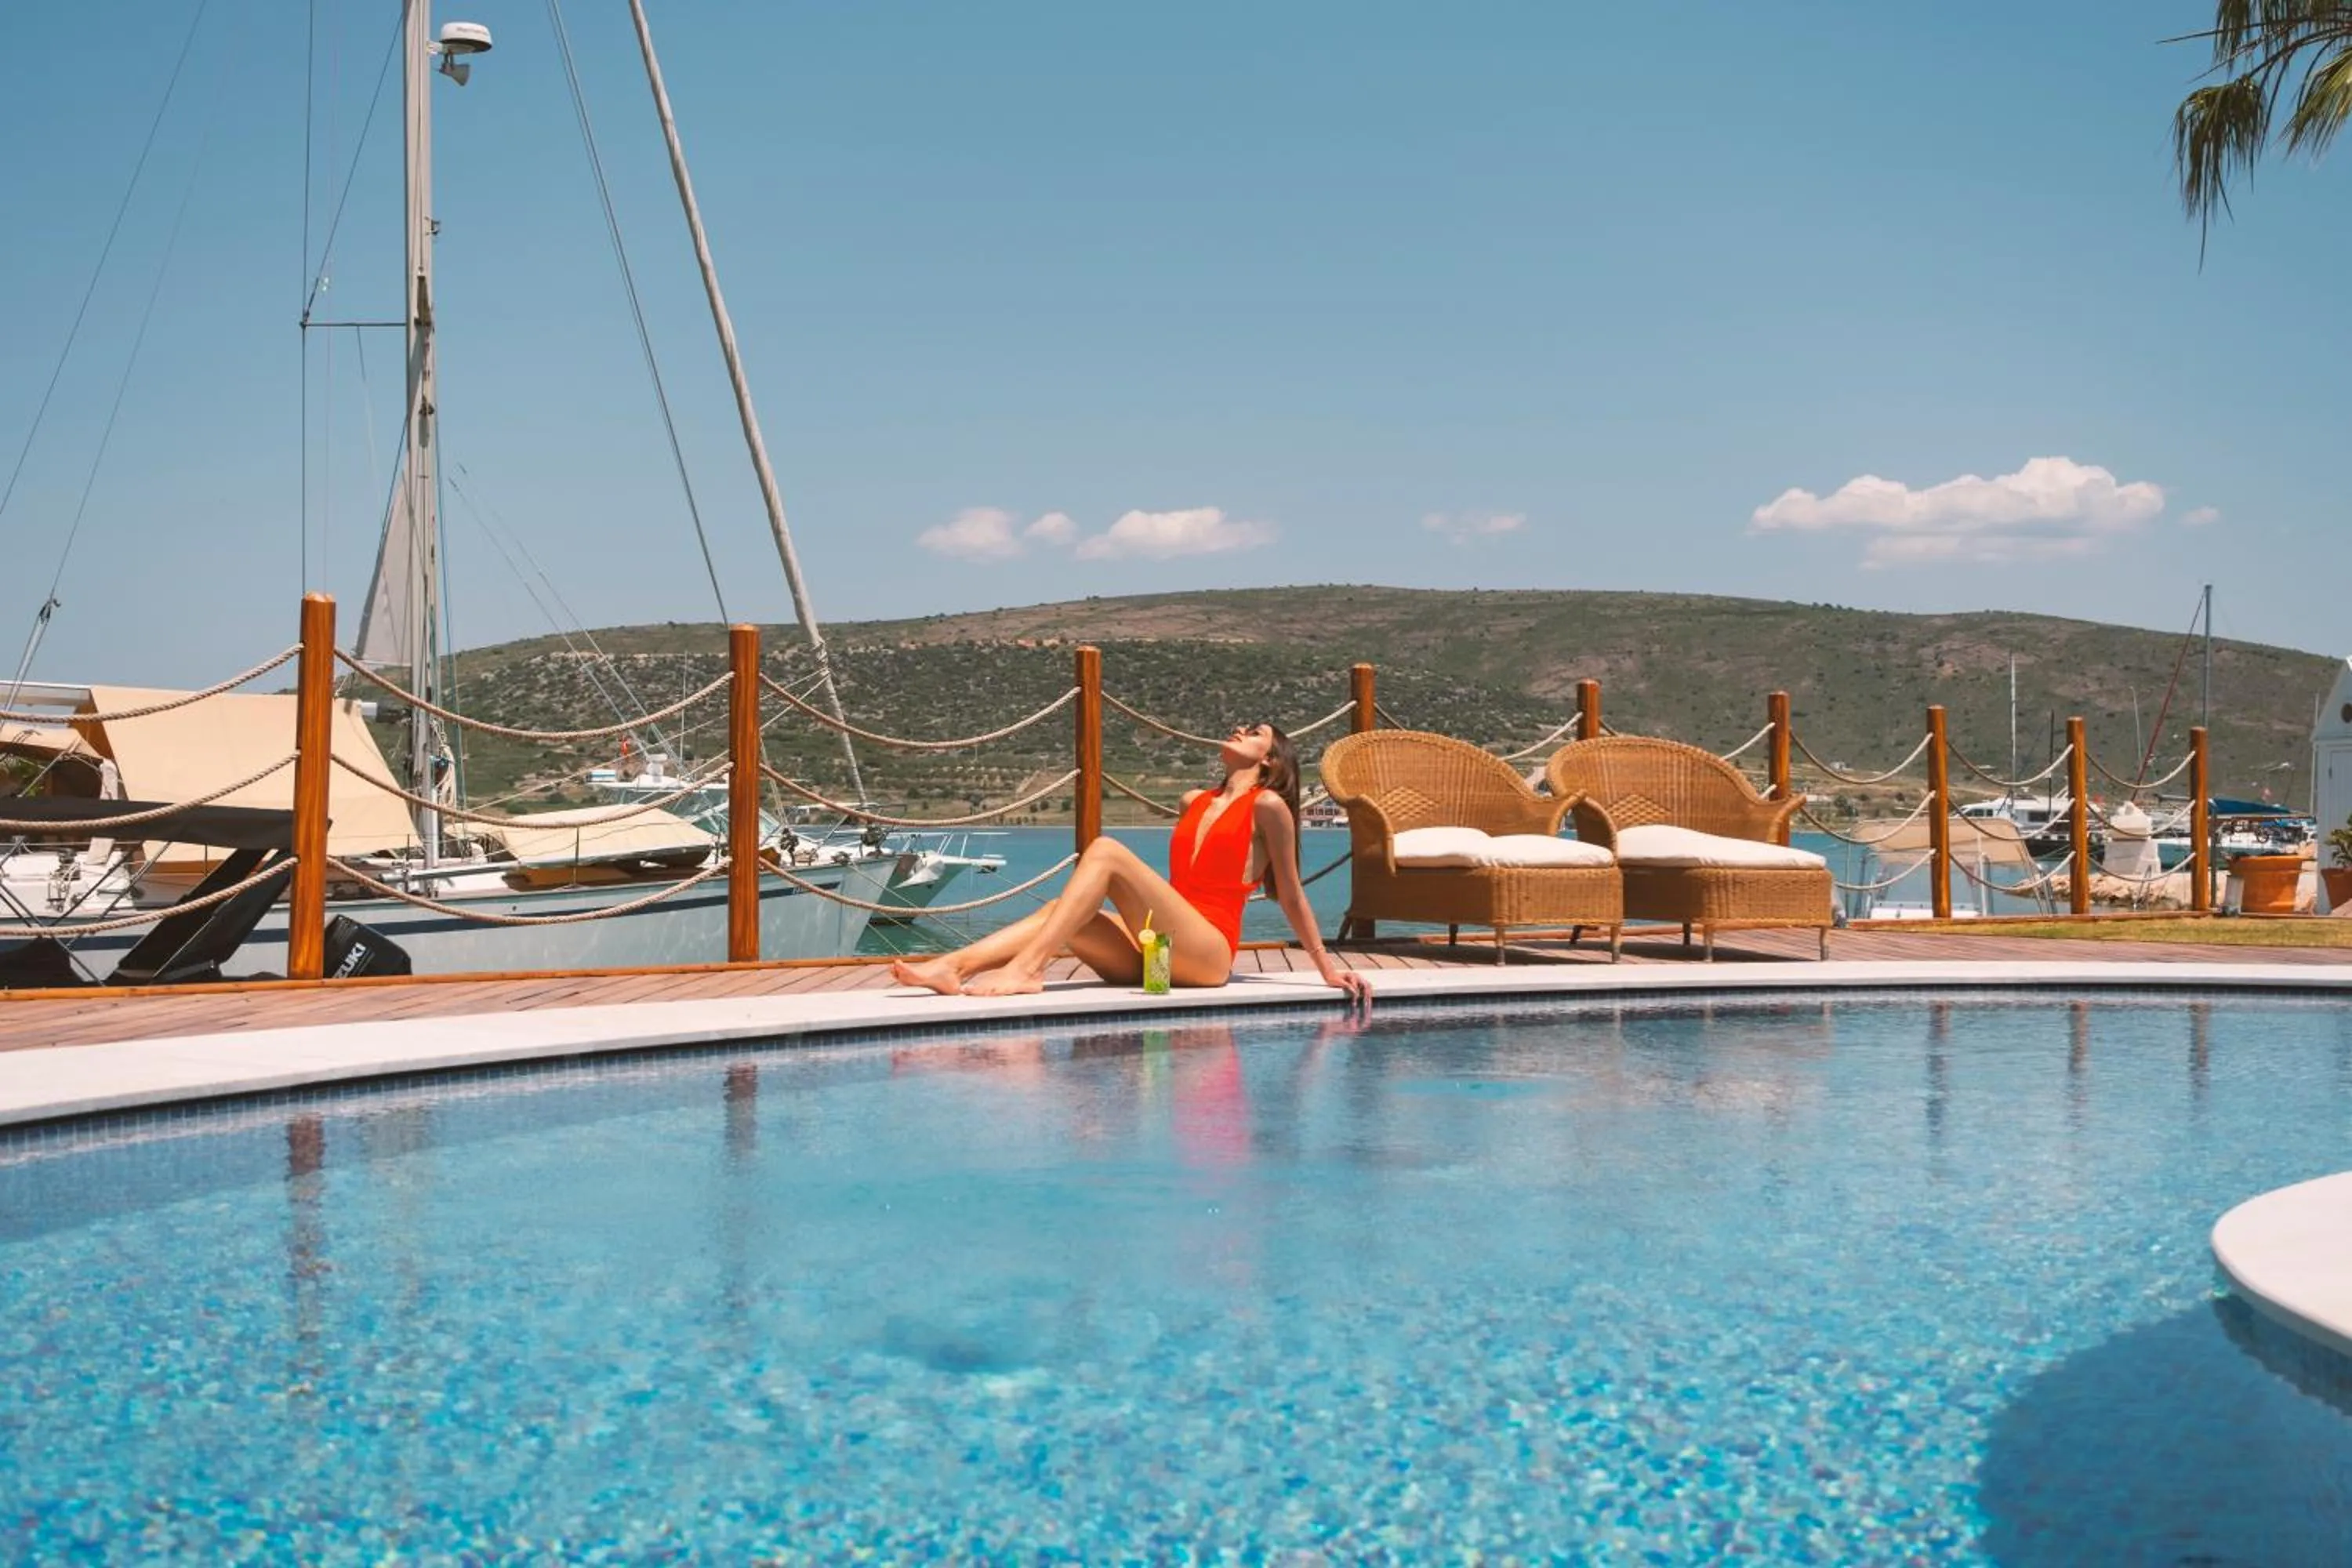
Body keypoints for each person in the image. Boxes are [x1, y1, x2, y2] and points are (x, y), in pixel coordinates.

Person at [891, 721, 1371, 1007]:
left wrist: (1327, 970)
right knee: (1062, 911)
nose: (1241, 730)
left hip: (1208, 955)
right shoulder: (1193, 801)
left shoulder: (1268, 806)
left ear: (1271, 762)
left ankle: (1028, 969)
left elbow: (1291, 894)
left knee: (1105, 851)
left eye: (1255, 733)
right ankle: (952, 967)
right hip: (1162, 957)